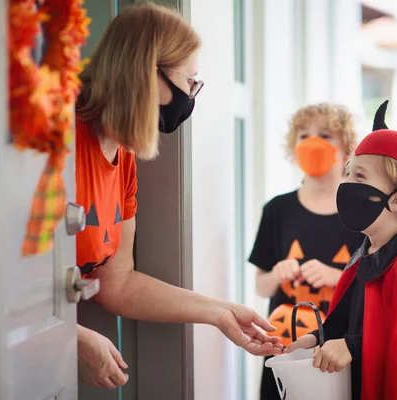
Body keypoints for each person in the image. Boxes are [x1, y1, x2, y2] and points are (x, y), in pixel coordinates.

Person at [74, 3, 281, 390]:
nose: (192, 95)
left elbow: (117, 284)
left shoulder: (124, 158)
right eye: (190, 81)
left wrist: (220, 313)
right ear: (147, 73)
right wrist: (75, 339)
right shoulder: (61, 140)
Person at [286, 101, 397, 400]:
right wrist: (316, 338)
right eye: (349, 172)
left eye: (360, 177)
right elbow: (351, 318)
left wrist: (352, 346)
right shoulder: (368, 252)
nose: (346, 184)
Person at [249, 103, 365, 400]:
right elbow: (260, 287)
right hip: (286, 347)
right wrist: (276, 274)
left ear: (347, 147)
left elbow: (374, 290)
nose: (313, 142)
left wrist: (335, 276)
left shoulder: (363, 214)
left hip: (339, 351)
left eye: (325, 135)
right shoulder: (278, 209)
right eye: (304, 135)